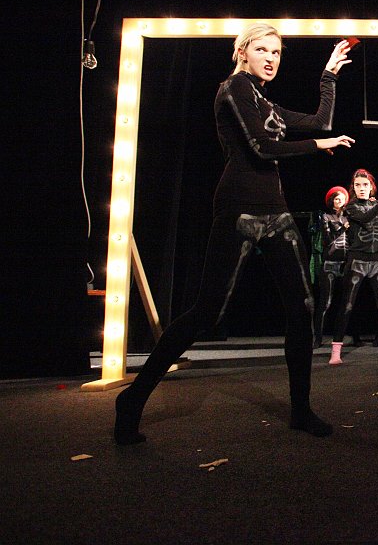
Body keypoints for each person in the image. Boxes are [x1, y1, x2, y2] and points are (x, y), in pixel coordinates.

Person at [114, 24, 355, 444]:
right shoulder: (235, 88)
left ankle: (300, 410)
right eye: (262, 50)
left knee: (302, 308)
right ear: (243, 51)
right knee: (206, 314)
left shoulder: (264, 100)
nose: (271, 58)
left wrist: (329, 75)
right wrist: (317, 146)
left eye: (276, 52)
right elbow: (262, 147)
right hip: (238, 210)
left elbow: (320, 122)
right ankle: (132, 399)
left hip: (275, 212)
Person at [329, 169, 378, 363]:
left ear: (371, 186)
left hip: (377, 261)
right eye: (358, 185)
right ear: (353, 188)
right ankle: (335, 351)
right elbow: (365, 218)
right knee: (347, 305)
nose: (362, 188)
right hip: (357, 261)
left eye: (365, 184)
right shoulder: (350, 206)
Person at [310, 185, 349, 347]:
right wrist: (341, 228)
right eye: (337, 199)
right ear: (332, 201)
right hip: (330, 263)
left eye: (342, 199)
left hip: (346, 263)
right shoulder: (326, 217)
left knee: (348, 302)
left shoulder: (349, 216)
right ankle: (317, 337)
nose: (339, 201)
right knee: (326, 302)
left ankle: (353, 336)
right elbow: (327, 239)